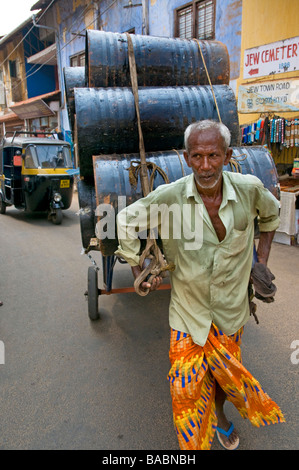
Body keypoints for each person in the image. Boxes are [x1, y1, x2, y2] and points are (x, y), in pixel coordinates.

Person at [115, 120, 285, 450]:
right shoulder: (170, 197)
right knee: (184, 386)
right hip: (187, 311)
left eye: (213, 156)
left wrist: (261, 263)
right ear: (186, 157)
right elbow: (123, 220)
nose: (205, 166)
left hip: (231, 310)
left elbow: (270, 216)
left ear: (227, 155)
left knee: (222, 376)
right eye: (196, 156)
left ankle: (220, 416)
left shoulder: (249, 189)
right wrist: (139, 267)